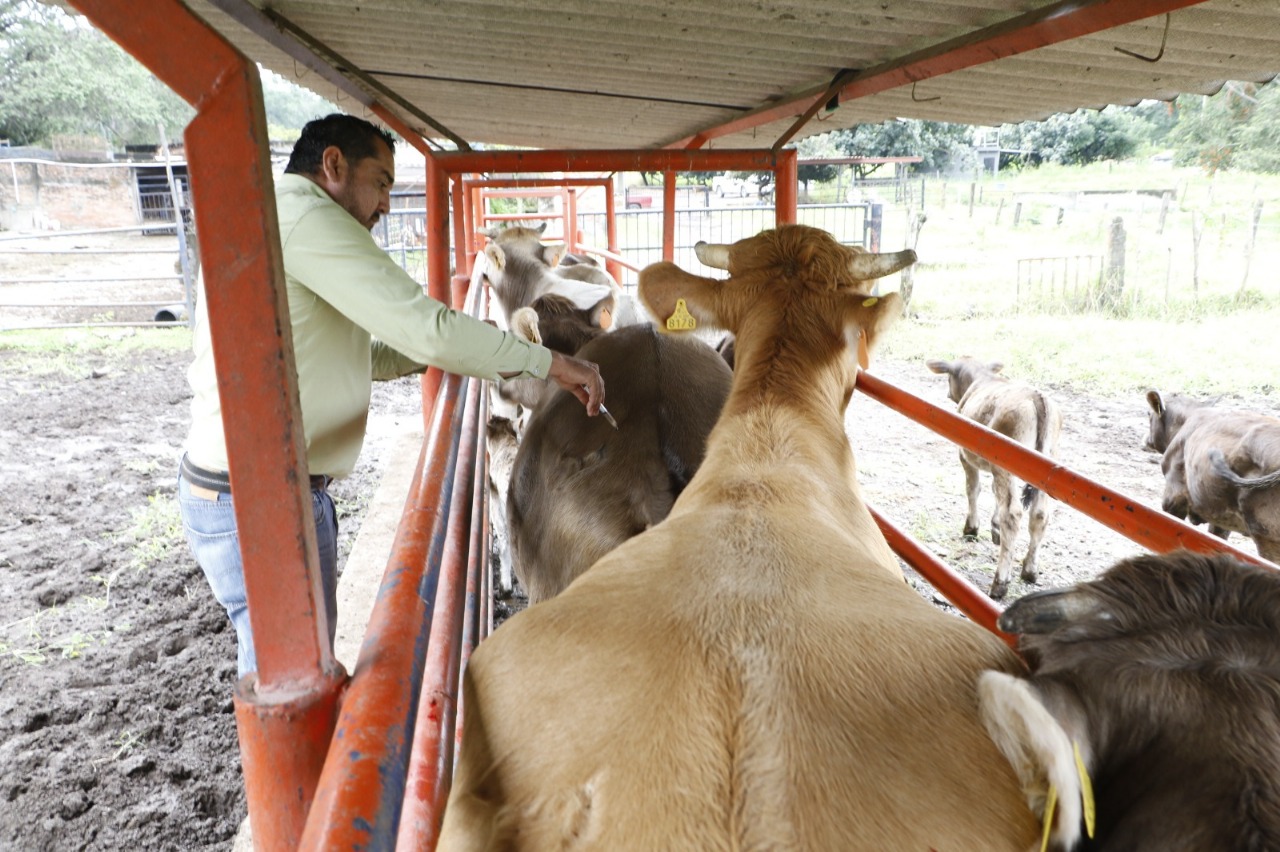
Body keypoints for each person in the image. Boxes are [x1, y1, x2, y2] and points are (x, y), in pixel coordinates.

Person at [177, 113, 604, 678]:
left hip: (260, 489)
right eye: (380, 182)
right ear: (333, 164)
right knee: (291, 679)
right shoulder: (308, 220)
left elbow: (364, 354)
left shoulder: (279, 214)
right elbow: (427, 328)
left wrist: (462, 350)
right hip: (256, 499)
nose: (385, 203)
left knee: (299, 665)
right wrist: (547, 362)